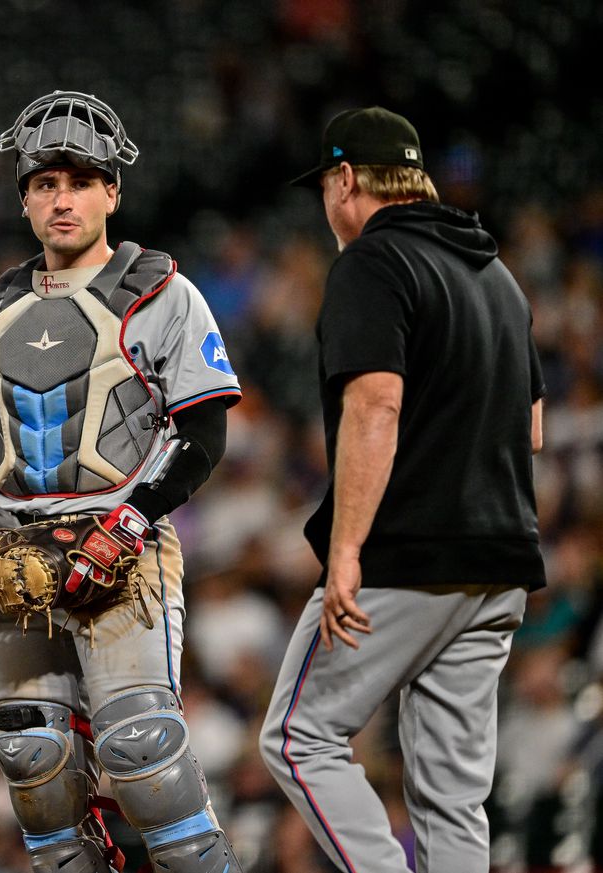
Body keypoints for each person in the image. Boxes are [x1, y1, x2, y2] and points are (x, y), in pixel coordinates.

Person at [0, 90, 245, 873]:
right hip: (18, 559)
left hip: (124, 545)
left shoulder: (163, 293)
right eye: (44, 183)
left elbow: (204, 433)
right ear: (25, 199)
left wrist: (132, 521)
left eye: (79, 180)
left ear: (112, 191)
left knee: (143, 751)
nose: (61, 197)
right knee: (36, 767)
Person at [258, 106, 546, 873]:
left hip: (408, 557)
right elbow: (534, 427)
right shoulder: (499, 274)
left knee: (298, 735)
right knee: (452, 793)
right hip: (501, 559)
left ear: (347, 177)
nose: (325, 203)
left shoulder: (373, 262)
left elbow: (376, 401)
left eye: (325, 184)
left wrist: (347, 547)